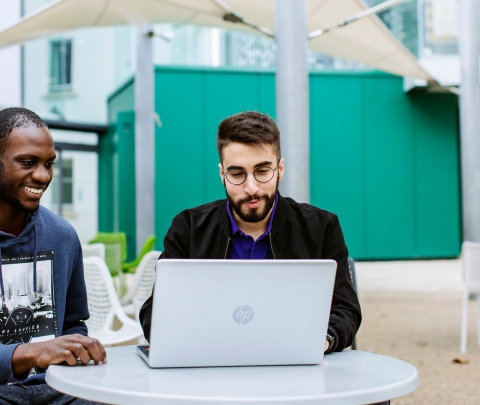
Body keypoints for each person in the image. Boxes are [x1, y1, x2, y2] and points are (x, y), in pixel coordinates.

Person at [140, 111, 361, 353]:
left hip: (294, 368)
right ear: (222, 175)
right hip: (210, 367)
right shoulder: (188, 228)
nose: (251, 187)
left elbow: (345, 309)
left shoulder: (321, 227)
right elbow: (155, 311)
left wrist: (323, 340)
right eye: (237, 174)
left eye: (263, 171)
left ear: (280, 169)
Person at [0, 107, 106, 405]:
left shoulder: (62, 235)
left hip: (56, 388)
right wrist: (29, 352)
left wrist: (79, 348)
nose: (43, 175)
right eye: (27, 162)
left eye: (49, 164)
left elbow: (73, 323)